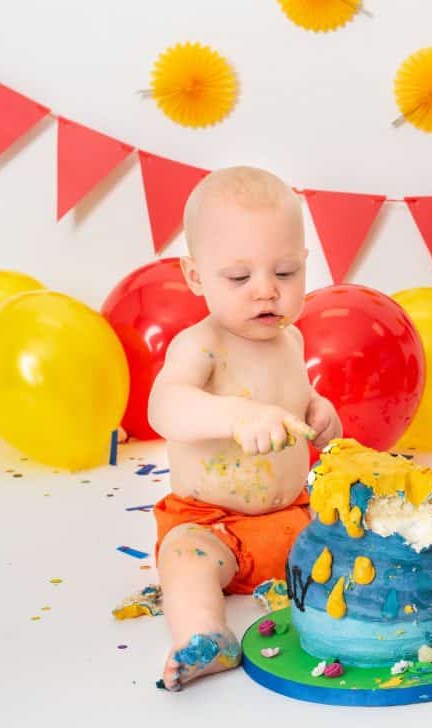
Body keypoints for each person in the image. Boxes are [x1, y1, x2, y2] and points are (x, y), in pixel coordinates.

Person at [147, 166, 342, 691]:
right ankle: (207, 635)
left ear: (305, 265)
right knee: (183, 561)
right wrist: (233, 415)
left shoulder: (292, 343)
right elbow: (164, 407)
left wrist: (321, 414)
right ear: (195, 276)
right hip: (211, 524)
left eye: (284, 273)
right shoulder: (201, 345)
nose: (265, 293)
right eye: (238, 278)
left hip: (292, 518)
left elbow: (298, 402)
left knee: (354, 538)